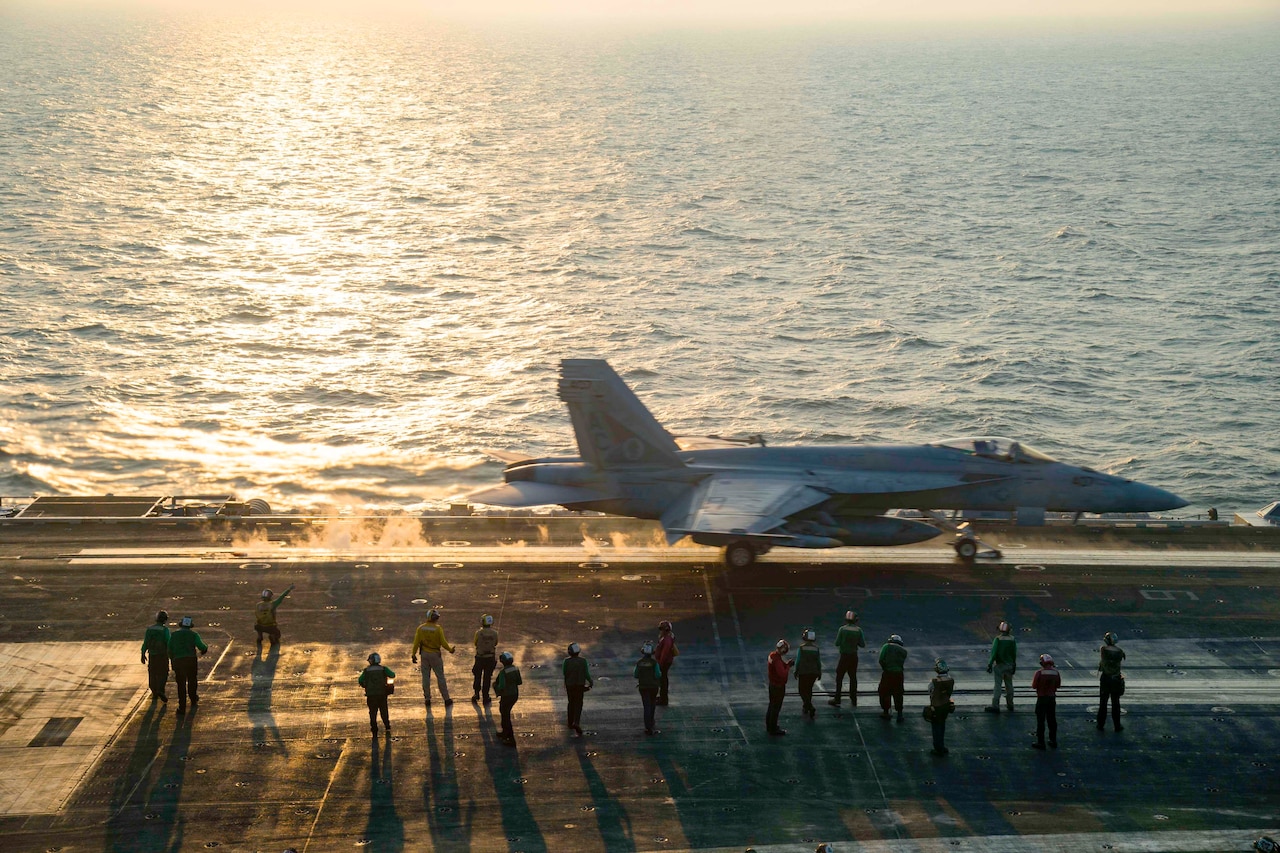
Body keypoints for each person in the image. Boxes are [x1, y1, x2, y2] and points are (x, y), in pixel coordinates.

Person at [411, 609, 456, 707]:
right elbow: (443, 643)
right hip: (435, 655)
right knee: (440, 677)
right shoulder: (438, 629)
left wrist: (413, 654)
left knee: (425, 678)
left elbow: (416, 643)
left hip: (424, 655)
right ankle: (446, 699)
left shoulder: (421, 628)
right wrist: (450, 650)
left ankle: (427, 698)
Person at [167, 616, 208, 715]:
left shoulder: (174, 635)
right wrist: (204, 649)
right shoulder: (194, 635)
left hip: (178, 661)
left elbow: (169, 649)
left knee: (181, 684)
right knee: (192, 680)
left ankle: (182, 707)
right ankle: (193, 698)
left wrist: (172, 659)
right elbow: (202, 646)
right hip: (191, 660)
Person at [828, 610, 865, 707]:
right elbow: (862, 644)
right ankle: (853, 698)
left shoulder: (842, 629)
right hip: (853, 656)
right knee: (853, 677)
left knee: (839, 677)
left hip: (844, 656)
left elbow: (837, 643)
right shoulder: (859, 630)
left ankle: (837, 698)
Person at [359, 652, 395, 736]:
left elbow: (360, 680)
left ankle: (374, 728)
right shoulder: (383, 669)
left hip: (371, 695)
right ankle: (387, 726)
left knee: (372, 712)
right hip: (382, 694)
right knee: (384, 711)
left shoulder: (366, 670)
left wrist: (365, 685)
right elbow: (392, 675)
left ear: (371, 661)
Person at [985, 621, 1017, 713]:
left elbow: (994, 653)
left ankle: (995, 705)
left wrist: (990, 664)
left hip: (999, 665)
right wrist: (1014, 664)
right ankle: (1010, 704)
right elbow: (1014, 653)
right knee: (1009, 685)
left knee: (998, 686)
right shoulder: (1012, 639)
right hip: (1010, 665)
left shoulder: (997, 639)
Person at [1097, 631, 1126, 732]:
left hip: (1105, 678)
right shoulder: (1120, 652)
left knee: (1103, 703)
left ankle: (1100, 725)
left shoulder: (1103, 650)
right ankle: (1117, 725)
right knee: (1116, 703)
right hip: (1116, 679)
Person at [1031, 653, 1061, 749]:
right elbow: (1058, 685)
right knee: (1052, 720)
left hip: (1042, 698)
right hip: (1052, 699)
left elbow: (1034, 686)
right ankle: (1053, 740)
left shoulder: (1039, 673)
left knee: (1041, 721)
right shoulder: (1056, 672)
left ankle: (1041, 742)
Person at [563, 642, 593, 736]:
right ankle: (576, 722)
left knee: (571, 702)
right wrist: (590, 681)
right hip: (580, 685)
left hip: (569, 685)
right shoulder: (583, 661)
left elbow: (565, 672)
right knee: (578, 703)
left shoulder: (566, 661)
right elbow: (586, 673)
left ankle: (569, 722)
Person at [141, 610, 171, 703]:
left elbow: (145, 642)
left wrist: (142, 654)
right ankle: (160, 690)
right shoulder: (165, 630)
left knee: (152, 673)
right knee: (163, 673)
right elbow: (169, 642)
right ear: (165, 620)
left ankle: (154, 691)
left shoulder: (150, 629)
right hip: (162, 655)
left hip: (152, 655)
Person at [927, 658, 955, 755]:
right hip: (945, 706)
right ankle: (942, 746)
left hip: (936, 706)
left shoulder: (933, 681)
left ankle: (937, 748)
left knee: (935, 728)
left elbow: (930, 692)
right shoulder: (951, 680)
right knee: (942, 726)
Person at [877, 634, 908, 722]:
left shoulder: (886, 646)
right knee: (898, 693)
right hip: (899, 674)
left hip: (888, 673)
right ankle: (899, 714)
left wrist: (885, 668)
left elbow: (881, 659)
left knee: (884, 692)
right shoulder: (904, 651)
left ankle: (886, 712)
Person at [766, 639, 793, 736]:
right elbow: (782, 674)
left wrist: (785, 665)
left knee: (771, 705)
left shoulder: (772, 655)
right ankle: (773, 729)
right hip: (778, 686)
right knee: (776, 707)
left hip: (772, 684)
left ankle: (769, 725)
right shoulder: (777, 659)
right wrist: (788, 666)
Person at [634, 641, 662, 735]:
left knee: (646, 706)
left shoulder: (639, 663)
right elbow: (658, 675)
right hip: (653, 687)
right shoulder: (654, 663)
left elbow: (636, 675)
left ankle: (647, 726)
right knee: (652, 704)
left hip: (643, 687)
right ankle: (651, 722)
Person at [494, 651, 521, 745]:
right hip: (514, 694)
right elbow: (519, 682)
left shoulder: (503, 672)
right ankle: (505, 733)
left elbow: (501, 686)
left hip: (506, 696)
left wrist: (495, 687)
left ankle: (509, 737)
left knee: (505, 716)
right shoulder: (516, 669)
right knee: (506, 714)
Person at [472, 613, 499, 704]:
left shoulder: (478, 633)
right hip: (490, 658)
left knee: (477, 676)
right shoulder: (495, 633)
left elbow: (475, 643)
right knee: (487, 677)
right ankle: (486, 696)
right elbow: (495, 643)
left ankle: (476, 694)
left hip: (480, 657)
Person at [794, 629, 821, 719]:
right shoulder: (816, 648)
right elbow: (818, 662)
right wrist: (819, 672)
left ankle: (810, 706)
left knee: (801, 690)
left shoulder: (802, 648)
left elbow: (798, 661)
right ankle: (806, 706)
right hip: (813, 672)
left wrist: (795, 671)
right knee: (809, 690)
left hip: (803, 672)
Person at [654, 620, 677, 705]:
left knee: (663, 681)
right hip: (664, 661)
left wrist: (660, 663)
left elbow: (664, 653)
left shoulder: (667, 639)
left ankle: (663, 699)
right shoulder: (665, 637)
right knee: (663, 680)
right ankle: (663, 697)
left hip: (664, 662)